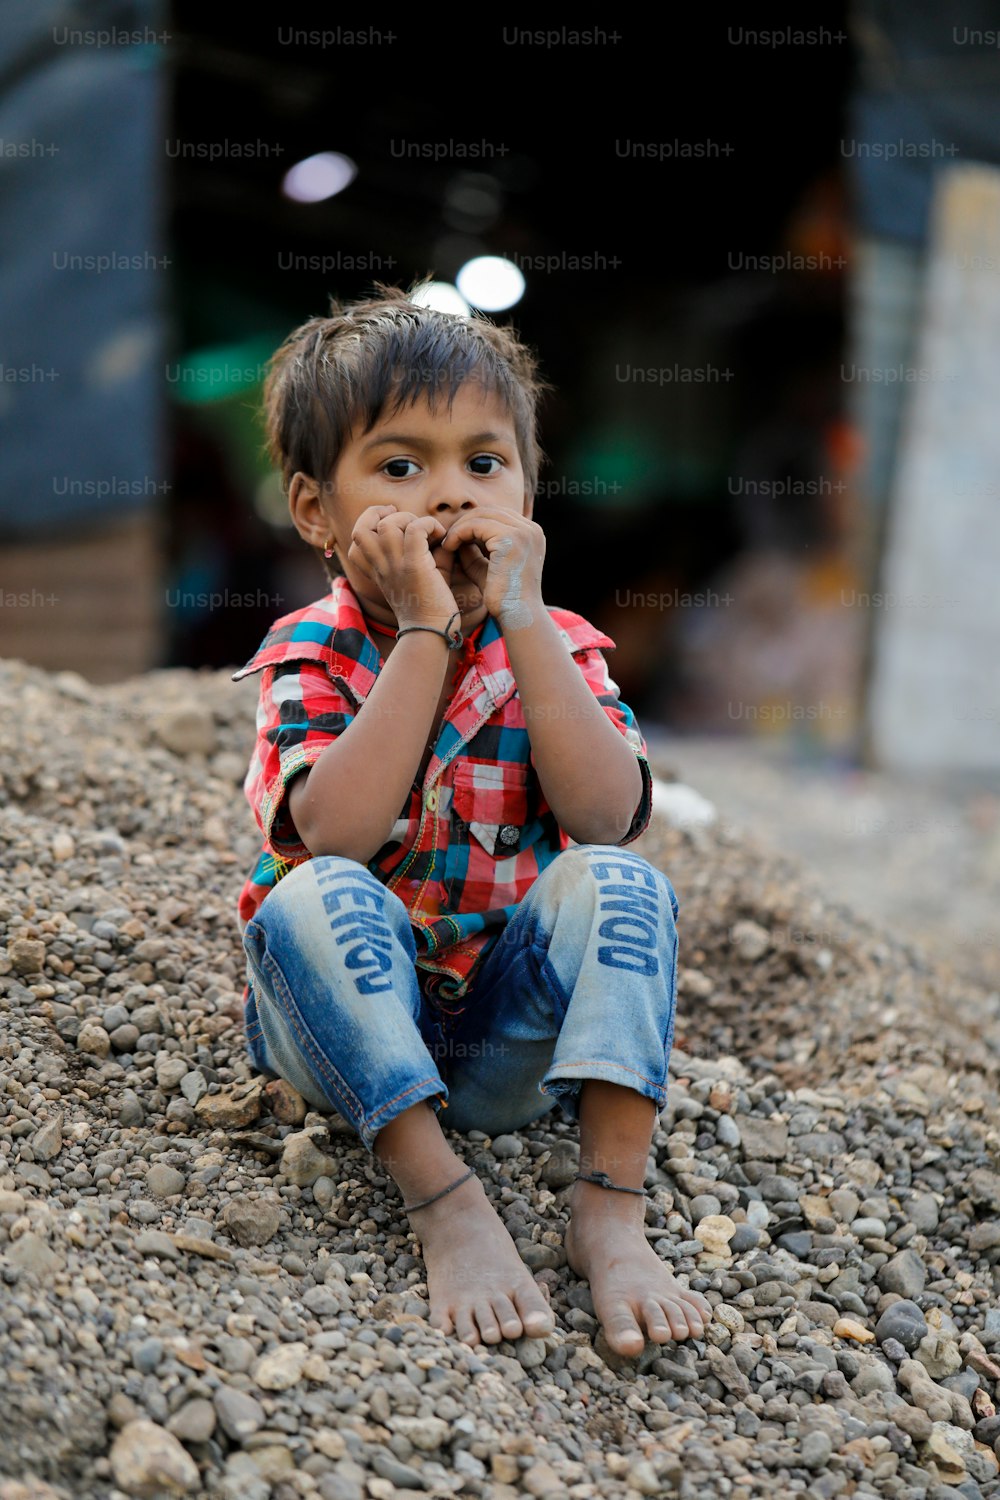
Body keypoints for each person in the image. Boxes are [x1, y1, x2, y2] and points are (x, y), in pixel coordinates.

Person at [230, 282, 711, 1356]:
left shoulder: (562, 646)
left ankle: (610, 1207)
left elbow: (607, 818)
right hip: (344, 1038)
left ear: (529, 491)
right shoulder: (315, 649)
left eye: (482, 465)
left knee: (627, 885)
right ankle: (443, 1199)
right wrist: (423, 635)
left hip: (502, 1047)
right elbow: (337, 837)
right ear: (316, 511)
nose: (448, 497)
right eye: (400, 468)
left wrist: (524, 621)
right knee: (320, 892)